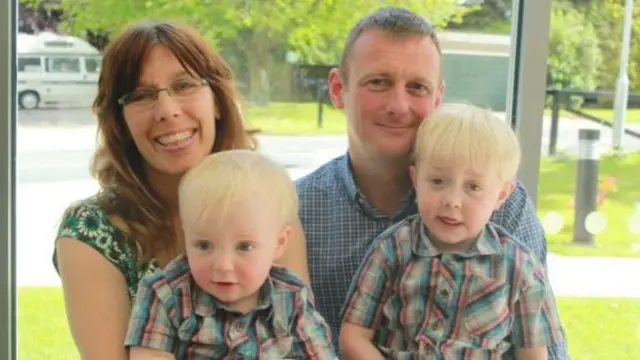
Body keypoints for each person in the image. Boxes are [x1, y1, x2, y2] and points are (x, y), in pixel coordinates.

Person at [294, 6, 569, 359]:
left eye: (417, 87)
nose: (398, 105)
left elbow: (547, 348)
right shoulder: (298, 211)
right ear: (337, 89)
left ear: (437, 98)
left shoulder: (504, 209)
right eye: (377, 82)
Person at [53, 21, 309, 360]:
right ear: (121, 122)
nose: (168, 111)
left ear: (217, 102)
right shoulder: (91, 232)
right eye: (142, 96)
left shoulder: (266, 203)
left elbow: (301, 337)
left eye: (184, 85)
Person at [340, 102, 564, 359]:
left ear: (501, 195)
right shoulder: (391, 250)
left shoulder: (520, 267)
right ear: (416, 179)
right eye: (437, 181)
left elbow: (533, 354)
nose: (453, 200)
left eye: (473, 187)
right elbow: (353, 336)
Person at [124, 150, 337, 360]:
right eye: (204, 245)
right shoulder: (166, 295)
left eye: (244, 247)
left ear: (279, 243)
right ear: (186, 233)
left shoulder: (292, 298)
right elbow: (149, 354)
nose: (223, 265)